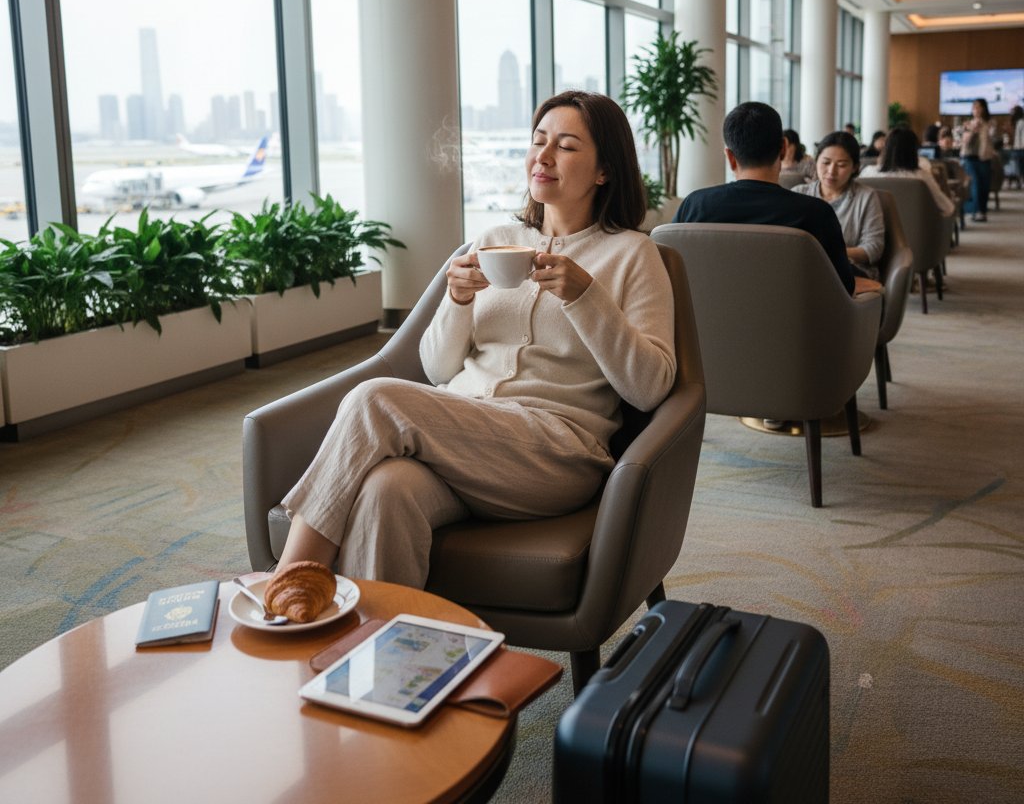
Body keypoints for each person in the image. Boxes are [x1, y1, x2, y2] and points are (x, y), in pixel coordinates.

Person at [276, 90, 677, 586]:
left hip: (554, 452)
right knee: (387, 490)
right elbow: (438, 371)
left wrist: (586, 297)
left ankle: (289, 579)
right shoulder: (491, 241)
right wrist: (458, 302)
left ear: (605, 171)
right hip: (461, 440)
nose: (544, 157)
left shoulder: (634, 255)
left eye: (567, 146)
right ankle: (386, 656)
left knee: (375, 398)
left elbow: (651, 387)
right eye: (538, 141)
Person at [672, 101, 856, 295]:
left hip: (705, 324)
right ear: (783, 148)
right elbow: (844, 288)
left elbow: (669, 274)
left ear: (730, 157)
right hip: (794, 325)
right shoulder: (817, 214)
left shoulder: (694, 206)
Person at [793, 131, 885, 280]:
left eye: (841, 165)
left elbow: (874, 248)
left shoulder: (866, 197)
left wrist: (829, 254)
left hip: (852, 273)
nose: (831, 171)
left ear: (855, 167)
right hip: (805, 271)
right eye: (826, 162)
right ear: (816, 161)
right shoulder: (798, 194)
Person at [861, 127, 955, 217]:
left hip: (876, 230)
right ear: (914, 151)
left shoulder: (868, 173)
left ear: (886, 149)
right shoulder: (922, 177)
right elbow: (948, 208)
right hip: (917, 232)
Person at [957, 98, 995, 221]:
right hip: (969, 157)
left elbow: (993, 137)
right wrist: (972, 129)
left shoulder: (990, 123)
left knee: (984, 185)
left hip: (984, 157)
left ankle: (982, 211)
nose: (976, 110)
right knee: (976, 184)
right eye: (974, 108)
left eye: (979, 107)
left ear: (984, 109)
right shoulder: (968, 124)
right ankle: (976, 211)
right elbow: (964, 142)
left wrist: (983, 126)